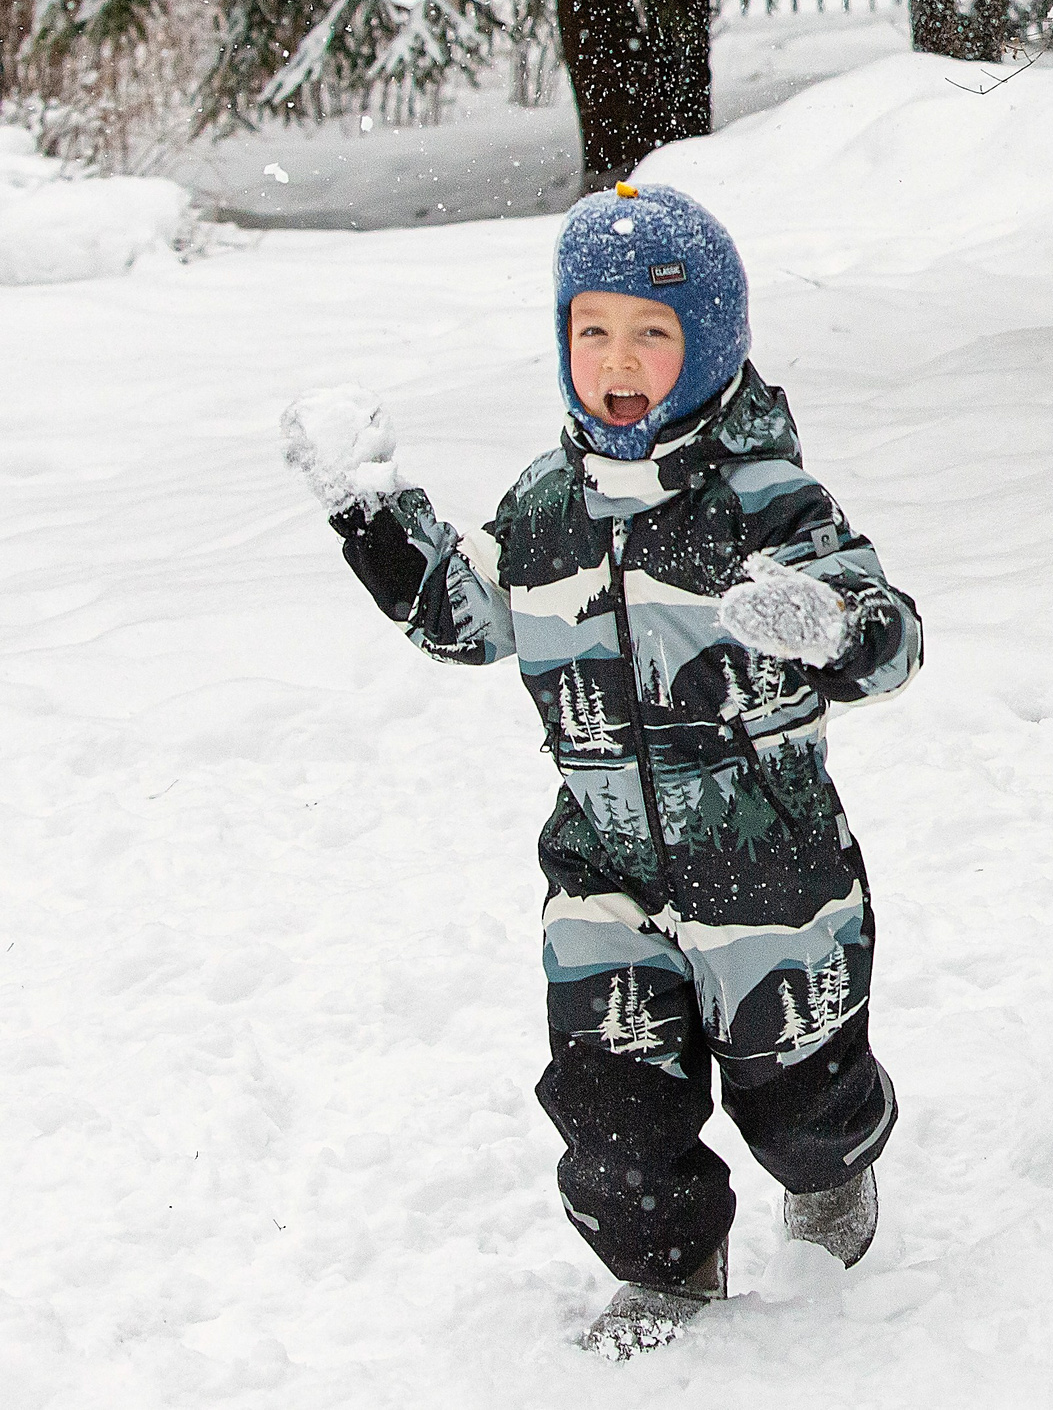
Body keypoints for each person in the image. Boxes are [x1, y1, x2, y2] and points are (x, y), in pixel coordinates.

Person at [281, 182, 921, 1354]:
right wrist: (371, 515)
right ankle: (667, 1263)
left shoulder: (765, 502)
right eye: (592, 330)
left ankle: (831, 1170)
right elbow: (465, 615)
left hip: (766, 859)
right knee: (609, 1094)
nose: (617, 360)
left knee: (798, 1084)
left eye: (650, 332)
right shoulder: (545, 505)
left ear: (709, 344)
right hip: (604, 863)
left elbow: (889, 637)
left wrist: (830, 624)